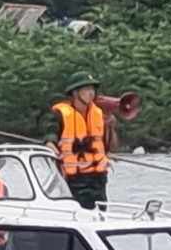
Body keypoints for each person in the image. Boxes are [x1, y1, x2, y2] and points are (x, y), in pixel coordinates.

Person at [46, 71, 118, 210]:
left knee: (101, 214)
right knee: (80, 212)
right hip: (74, 179)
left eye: (92, 89)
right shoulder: (60, 114)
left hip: (98, 178)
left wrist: (111, 127)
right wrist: (52, 146)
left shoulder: (99, 114)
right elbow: (50, 135)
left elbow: (111, 147)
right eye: (86, 89)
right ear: (75, 93)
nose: (91, 93)